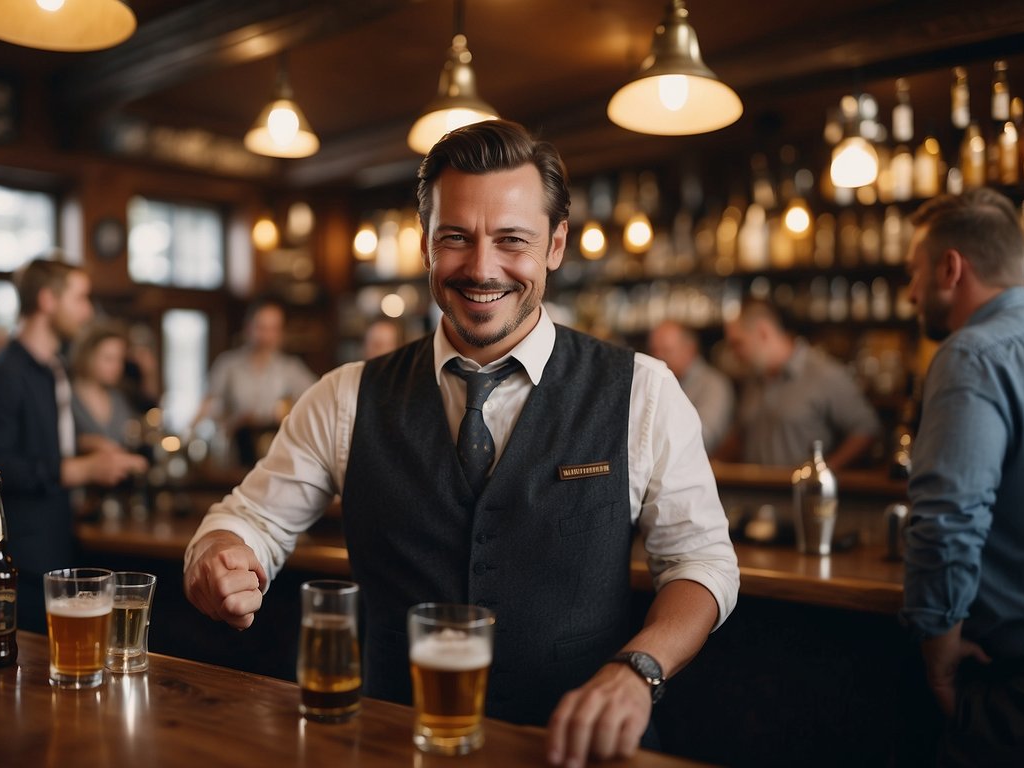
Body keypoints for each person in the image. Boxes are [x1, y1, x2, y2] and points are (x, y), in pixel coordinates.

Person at [182, 120, 738, 766]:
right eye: (456, 238)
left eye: (512, 241)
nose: (481, 268)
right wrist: (219, 556)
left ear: (555, 245)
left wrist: (639, 669)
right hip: (397, 745)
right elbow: (247, 521)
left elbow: (702, 563)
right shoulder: (344, 397)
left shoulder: (643, 391)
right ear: (424, 245)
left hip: (577, 751)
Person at [900, 188, 1024, 766]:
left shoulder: (971, 354)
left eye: (915, 272)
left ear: (951, 267)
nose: (912, 292)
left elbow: (948, 517)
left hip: (1022, 693)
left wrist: (938, 649)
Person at [0, 258, 147, 633]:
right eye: (80, 298)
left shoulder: (52, 369)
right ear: (47, 300)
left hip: (52, 545)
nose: (88, 310)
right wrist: (83, 468)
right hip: (14, 559)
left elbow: (37, 441)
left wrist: (85, 444)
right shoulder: (1, 376)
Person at [718, 297, 880, 468]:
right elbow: (741, 437)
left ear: (763, 332)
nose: (734, 354)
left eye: (738, 344)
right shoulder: (753, 379)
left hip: (801, 492)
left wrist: (825, 472)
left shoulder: (824, 373)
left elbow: (867, 429)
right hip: (755, 491)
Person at [190, 298, 317, 467]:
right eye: (261, 328)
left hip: (276, 455)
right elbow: (208, 405)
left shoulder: (290, 368)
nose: (267, 336)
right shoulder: (228, 364)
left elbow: (315, 399)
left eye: (274, 329)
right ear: (248, 327)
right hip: (234, 454)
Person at [646, 320, 733, 454]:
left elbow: (704, 437)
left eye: (666, 350)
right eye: (654, 351)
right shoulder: (654, 384)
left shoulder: (713, 384)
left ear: (689, 350)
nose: (658, 358)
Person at [69, 319, 140, 451]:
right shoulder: (68, 397)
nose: (117, 367)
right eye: (109, 359)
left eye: (120, 359)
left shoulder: (119, 398)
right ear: (88, 357)